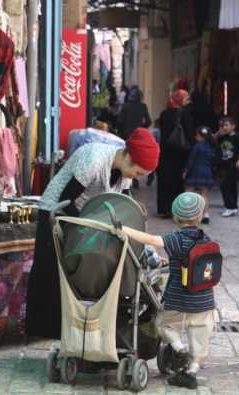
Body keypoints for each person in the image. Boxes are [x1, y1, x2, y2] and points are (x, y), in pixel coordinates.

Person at [26, 128, 160, 339]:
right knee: (52, 269)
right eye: (138, 173)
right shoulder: (94, 159)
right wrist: (90, 226)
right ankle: (44, 331)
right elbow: (67, 200)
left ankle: (71, 330)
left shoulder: (123, 171)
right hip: (56, 208)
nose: (136, 178)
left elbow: (123, 204)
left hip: (87, 217)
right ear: (129, 157)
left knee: (80, 268)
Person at [122, 192, 215, 390]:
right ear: (199, 217)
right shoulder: (205, 239)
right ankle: (191, 373)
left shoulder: (176, 239)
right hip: (204, 299)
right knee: (200, 334)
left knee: (164, 324)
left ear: (175, 216)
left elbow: (150, 239)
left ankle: (179, 349)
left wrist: (124, 228)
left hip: (177, 298)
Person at [157, 89, 195, 218]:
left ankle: (165, 208)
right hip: (180, 153)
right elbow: (190, 135)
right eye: (185, 99)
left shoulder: (164, 114)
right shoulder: (185, 114)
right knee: (178, 181)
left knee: (165, 180)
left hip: (165, 153)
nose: (187, 101)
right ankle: (176, 210)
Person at [213, 117, 239, 217]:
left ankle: (230, 207)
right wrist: (220, 130)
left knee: (227, 186)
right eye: (223, 125)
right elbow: (214, 138)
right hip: (223, 164)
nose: (225, 127)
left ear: (233, 126)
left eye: (227, 125)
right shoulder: (223, 137)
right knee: (228, 185)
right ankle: (233, 207)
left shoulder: (237, 137)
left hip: (232, 164)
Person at [183, 126, 216, 224]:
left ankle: (187, 215)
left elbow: (191, 160)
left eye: (196, 135)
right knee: (204, 194)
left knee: (188, 192)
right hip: (207, 171)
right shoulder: (210, 146)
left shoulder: (197, 146)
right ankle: (206, 215)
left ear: (200, 136)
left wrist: (186, 170)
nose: (195, 136)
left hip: (195, 171)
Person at [146, 118, 161, 186]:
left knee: (152, 166)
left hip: (152, 150)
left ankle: (150, 177)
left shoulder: (152, 131)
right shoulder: (162, 131)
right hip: (160, 150)